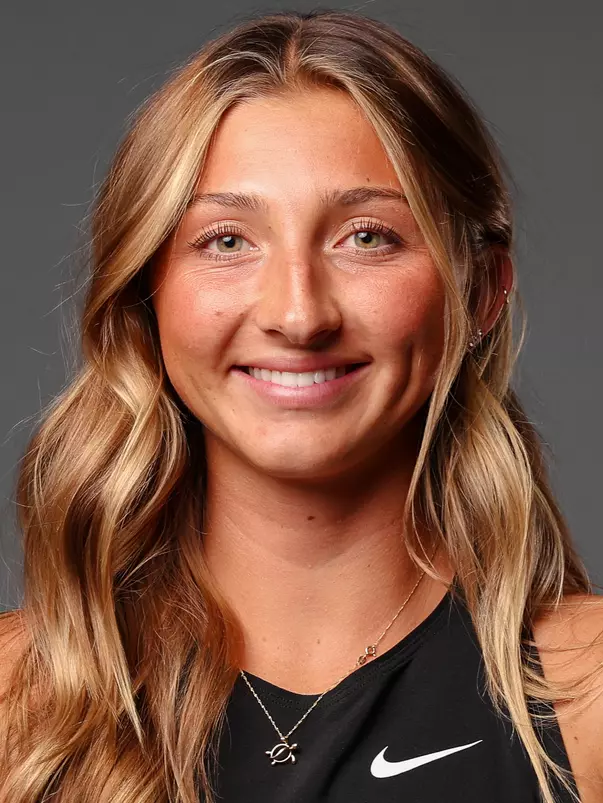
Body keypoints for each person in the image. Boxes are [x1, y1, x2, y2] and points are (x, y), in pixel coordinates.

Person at [0, 8, 602, 803]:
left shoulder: (587, 693)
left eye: (365, 236)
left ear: (481, 290)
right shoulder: (18, 706)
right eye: (226, 240)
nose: (297, 313)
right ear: (148, 294)